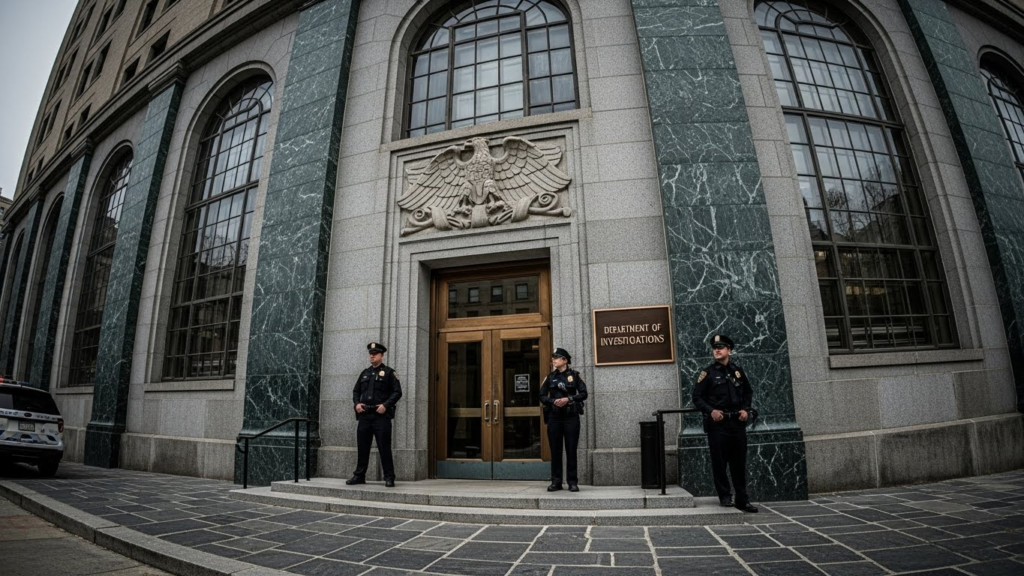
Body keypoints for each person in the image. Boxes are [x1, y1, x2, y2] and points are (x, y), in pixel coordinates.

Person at [692, 334, 758, 513]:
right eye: (715, 348)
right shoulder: (707, 373)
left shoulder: (737, 371)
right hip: (718, 426)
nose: (717, 350)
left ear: (729, 350)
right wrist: (711, 411)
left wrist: (746, 409)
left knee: (739, 463)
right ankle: (725, 496)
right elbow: (697, 397)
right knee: (719, 463)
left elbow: (748, 392)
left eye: (721, 347)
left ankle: (742, 499)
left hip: (737, 423)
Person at [347, 342, 403, 487]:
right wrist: (356, 404)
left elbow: (397, 392)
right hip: (365, 415)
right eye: (370, 354)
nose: (372, 356)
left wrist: (386, 405)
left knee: (384, 447)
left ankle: (389, 477)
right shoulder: (365, 373)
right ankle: (359, 475)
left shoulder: (389, 373)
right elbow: (356, 391)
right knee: (362, 447)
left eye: (375, 354)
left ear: (382, 355)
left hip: (381, 416)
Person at [540, 347, 588, 492]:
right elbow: (541, 395)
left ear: (565, 360)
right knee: (555, 451)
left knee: (571, 450)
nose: (553, 359)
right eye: (553, 357)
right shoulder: (549, 377)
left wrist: (568, 399)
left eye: (557, 357)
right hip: (554, 417)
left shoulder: (574, 376)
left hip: (570, 417)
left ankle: (572, 482)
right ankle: (556, 482)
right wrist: (552, 401)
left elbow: (584, 393)